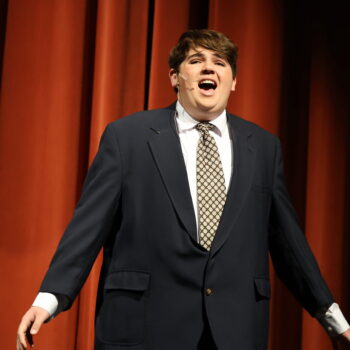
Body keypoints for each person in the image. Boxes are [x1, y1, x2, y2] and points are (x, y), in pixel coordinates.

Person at [17, 29, 350, 350]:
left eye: (220, 62)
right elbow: (87, 228)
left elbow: (289, 243)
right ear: (175, 77)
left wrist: (332, 317)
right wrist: (48, 300)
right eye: (196, 60)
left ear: (233, 82)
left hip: (234, 329)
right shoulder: (128, 137)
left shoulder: (263, 147)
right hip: (146, 326)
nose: (209, 67)